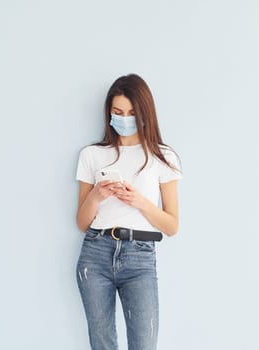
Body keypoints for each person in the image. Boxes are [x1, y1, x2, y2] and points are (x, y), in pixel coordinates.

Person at [75, 74, 182, 350]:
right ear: (109, 113)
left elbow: (171, 226)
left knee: (144, 345)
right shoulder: (92, 155)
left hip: (140, 258)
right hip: (96, 253)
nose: (124, 118)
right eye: (118, 112)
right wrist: (98, 194)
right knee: (102, 344)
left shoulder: (162, 157)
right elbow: (82, 222)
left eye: (132, 112)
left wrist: (140, 202)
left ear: (145, 112)